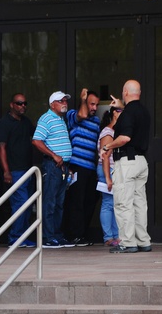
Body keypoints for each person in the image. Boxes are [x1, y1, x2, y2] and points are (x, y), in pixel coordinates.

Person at [100, 80, 151, 253]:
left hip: (127, 162)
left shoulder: (128, 113)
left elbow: (125, 138)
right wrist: (122, 106)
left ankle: (128, 242)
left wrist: (107, 147)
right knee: (139, 204)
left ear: (125, 92)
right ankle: (143, 241)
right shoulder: (143, 111)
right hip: (141, 162)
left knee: (123, 203)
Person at [32, 91, 73, 249]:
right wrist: (54, 155)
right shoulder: (46, 118)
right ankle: (47, 237)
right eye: (61, 101)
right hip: (52, 165)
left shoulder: (60, 119)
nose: (64, 103)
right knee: (49, 202)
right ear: (52, 104)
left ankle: (56, 235)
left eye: (65, 100)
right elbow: (36, 141)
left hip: (63, 166)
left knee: (59, 203)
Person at [0, 93, 36, 248]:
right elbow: (1, 148)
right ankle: (15, 237)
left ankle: (23, 237)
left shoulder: (26, 122)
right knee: (20, 204)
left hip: (29, 170)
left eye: (25, 103)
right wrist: (6, 171)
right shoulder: (4, 123)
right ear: (12, 105)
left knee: (27, 206)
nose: (23, 106)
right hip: (15, 171)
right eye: (19, 103)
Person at [63, 88, 101, 246]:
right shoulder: (72, 114)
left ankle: (82, 234)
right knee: (76, 201)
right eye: (91, 104)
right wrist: (83, 100)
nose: (94, 108)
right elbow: (82, 114)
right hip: (77, 166)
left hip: (91, 167)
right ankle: (74, 235)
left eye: (96, 105)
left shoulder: (97, 121)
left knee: (89, 202)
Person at [97, 106, 120, 247]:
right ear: (112, 114)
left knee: (115, 204)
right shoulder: (108, 132)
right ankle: (108, 237)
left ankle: (116, 236)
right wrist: (107, 177)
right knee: (108, 204)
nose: (121, 114)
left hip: (113, 169)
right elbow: (105, 156)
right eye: (118, 111)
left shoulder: (117, 132)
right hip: (107, 169)